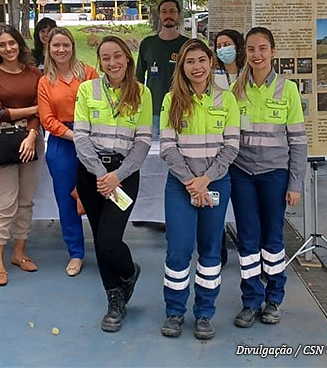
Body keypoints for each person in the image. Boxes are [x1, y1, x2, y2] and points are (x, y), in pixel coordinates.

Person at [158, 39, 240, 340]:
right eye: (190, 61)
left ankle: (204, 313)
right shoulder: (171, 100)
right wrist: (191, 182)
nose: (197, 67)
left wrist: (205, 180)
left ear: (211, 62)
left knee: (209, 251)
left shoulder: (226, 100)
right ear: (182, 66)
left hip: (216, 183)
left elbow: (232, 146)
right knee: (178, 251)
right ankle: (175, 312)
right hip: (181, 186)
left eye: (202, 60)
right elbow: (167, 147)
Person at [73, 36, 153, 332]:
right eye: (106, 58)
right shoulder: (87, 90)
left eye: (117, 56)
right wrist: (99, 175)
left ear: (127, 59)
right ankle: (115, 299)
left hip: (124, 175)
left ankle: (129, 272)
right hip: (91, 175)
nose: (112, 63)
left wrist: (116, 177)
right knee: (100, 241)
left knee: (109, 240)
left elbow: (144, 141)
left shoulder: (142, 93)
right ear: (100, 62)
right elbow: (80, 136)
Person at [230, 27, 307, 328]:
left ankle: (274, 299)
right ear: (245, 53)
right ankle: (251, 301)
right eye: (251, 49)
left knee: (273, 238)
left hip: (275, 175)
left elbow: (298, 142)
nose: (257, 55)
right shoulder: (236, 89)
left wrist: (295, 183)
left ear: (273, 52)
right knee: (248, 238)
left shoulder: (287, 89)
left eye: (262, 48)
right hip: (242, 174)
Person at [0, 25, 44, 286]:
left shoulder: (34, 74)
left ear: (20, 44)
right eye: (2, 45)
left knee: (26, 200)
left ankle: (19, 252)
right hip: (3, 140)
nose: (8, 48)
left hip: (31, 139)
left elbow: (43, 111)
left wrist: (31, 135)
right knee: (5, 202)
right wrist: (33, 109)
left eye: (12, 43)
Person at [37, 27, 98, 276]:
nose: (61, 50)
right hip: (63, 142)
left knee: (97, 196)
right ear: (49, 49)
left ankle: (106, 246)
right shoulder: (45, 81)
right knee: (66, 200)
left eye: (66, 45)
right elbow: (47, 119)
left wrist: (87, 136)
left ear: (73, 47)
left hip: (93, 138)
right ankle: (76, 252)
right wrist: (75, 137)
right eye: (56, 46)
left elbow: (100, 104)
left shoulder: (88, 73)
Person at [212, 28, 246, 266]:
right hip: (220, 150)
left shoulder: (249, 75)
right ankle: (218, 253)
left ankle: (249, 250)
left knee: (245, 208)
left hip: (247, 149)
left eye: (228, 44)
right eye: (219, 45)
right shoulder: (213, 76)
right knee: (218, 210)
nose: (224, 49)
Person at [136, 0, 188, 138]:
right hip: (154, 110)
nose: (168, 15)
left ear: (178, 15)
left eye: (172, 11)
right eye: (164, 12)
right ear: (159, 15)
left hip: (181, 110)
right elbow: (138, 78)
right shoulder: (148, 44)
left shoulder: (187, 45)